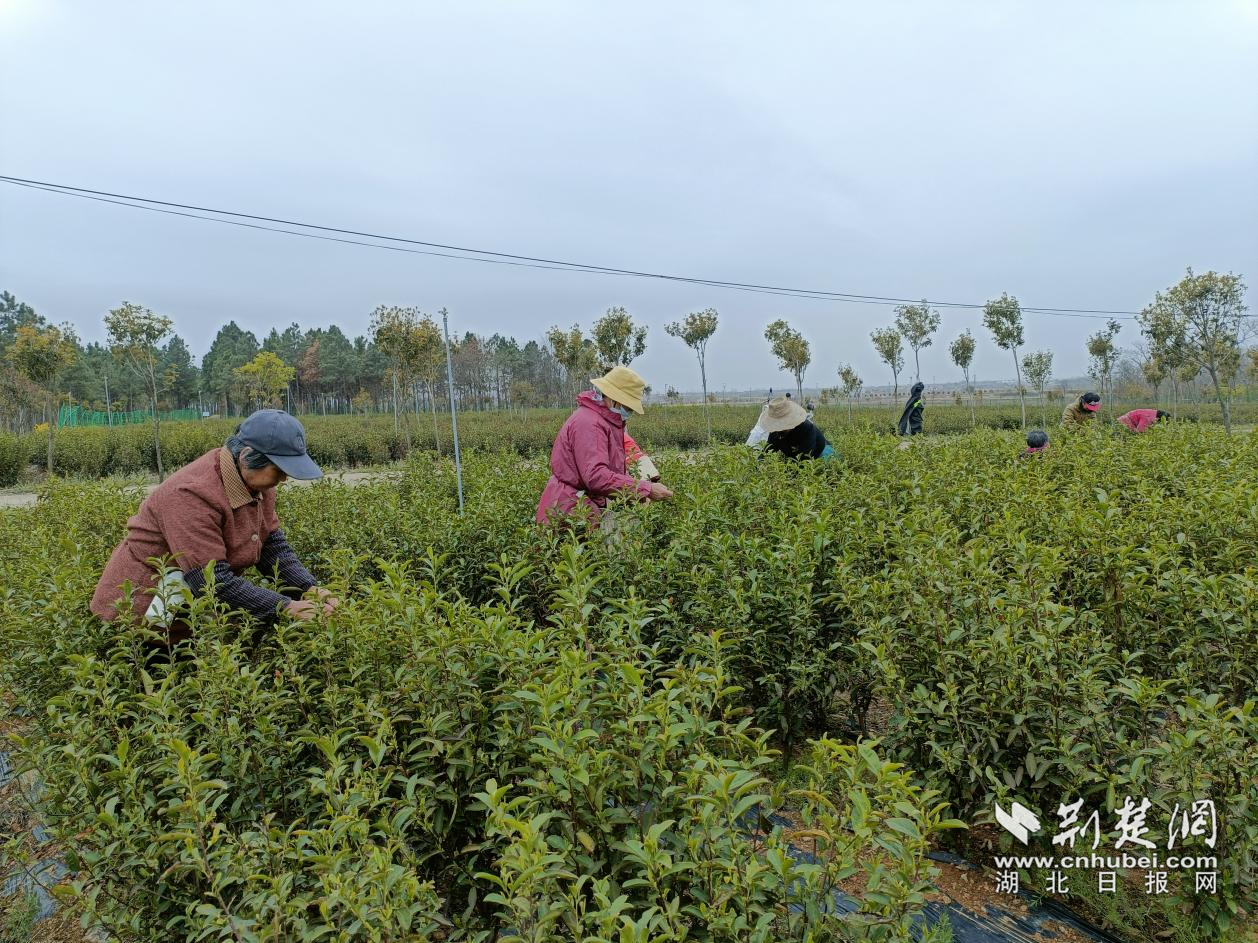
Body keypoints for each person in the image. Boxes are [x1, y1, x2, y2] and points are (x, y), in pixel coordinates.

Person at [90, 409, 338, 643]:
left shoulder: (259, 484)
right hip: (137, 618)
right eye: (279, 470)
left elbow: (272, 546)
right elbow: (212, 581)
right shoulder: (190, 494)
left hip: (189, 614)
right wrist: (286, 607)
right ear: (246, 457)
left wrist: (309, 589)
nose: (284, 479)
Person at [536, 366, 673, 526]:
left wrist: (633, 495)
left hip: (580, 506)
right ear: (612, 397)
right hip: (569, 509)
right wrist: (645, 489)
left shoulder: (604, 421)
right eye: (628, 407)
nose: (628, 411)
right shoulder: (590, 423)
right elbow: (596, 477)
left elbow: (609, 472)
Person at [760, 396, 835, 460]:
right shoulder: (775, 432)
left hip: (821, 452)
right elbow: (766, 453)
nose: (780, 429)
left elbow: (805, 459)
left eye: (782, 423)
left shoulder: (807, 429)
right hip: (796, 457)